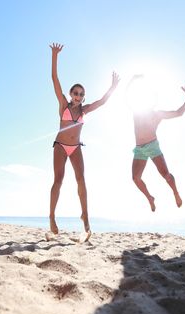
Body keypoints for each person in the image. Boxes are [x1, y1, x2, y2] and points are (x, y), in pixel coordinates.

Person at [47, 43, 119, 242]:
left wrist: (112, 87)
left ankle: (85, 216)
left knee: (81, 180)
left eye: (81, 94)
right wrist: (55, 56)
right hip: (61, 146)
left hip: (76, 147)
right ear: (71, 94)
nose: (78, 96)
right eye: (75, 93)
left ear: (83, 97)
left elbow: (102, 102)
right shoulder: (63, 105)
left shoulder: (84, 110)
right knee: (58, 180)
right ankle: (52, 217)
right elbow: (54, 79)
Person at [128, 74, 185, 212]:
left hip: (152, 146)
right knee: (135, 178)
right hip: (139, 149)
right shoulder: (136, 110)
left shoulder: (158, 114)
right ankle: (150, 198)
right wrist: (132, 81)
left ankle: (175, 192)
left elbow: (179, 113)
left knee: (166, 175)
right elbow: (128, 96)